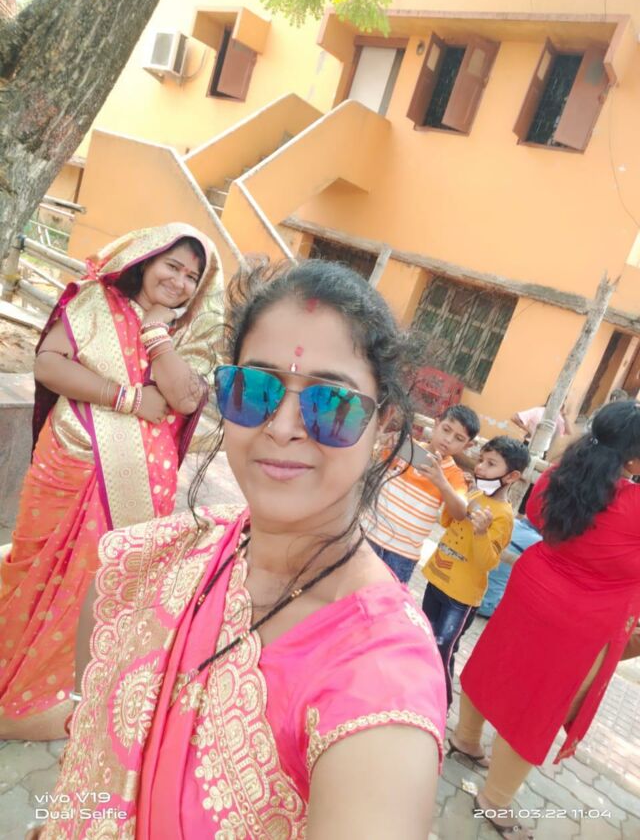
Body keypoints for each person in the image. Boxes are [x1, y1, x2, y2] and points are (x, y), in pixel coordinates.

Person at [35, 259, 447, 839]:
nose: (281, 427)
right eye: (255, 391)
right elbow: (88, 740)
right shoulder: (157, 557)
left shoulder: (379, 681)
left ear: (383, 429)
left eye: (331, 404)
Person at [0, 223, 221, 742]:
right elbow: (48, 364)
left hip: (138, 483)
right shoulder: (96, 301)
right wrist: (127, 398)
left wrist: (157, 333)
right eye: (172, 266)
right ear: (146, 259)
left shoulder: (191, 333)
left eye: (192, 276)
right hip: (70, 462)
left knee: (94, 585)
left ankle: (48, 692)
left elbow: (185, 398)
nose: (180, 281)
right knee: (34, 564)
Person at [450, 401, 640, 839]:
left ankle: (465, 739)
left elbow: (535, 515)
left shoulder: (560, 475)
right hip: (584, 619)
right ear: (632, 459)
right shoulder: (634, 506)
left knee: (495, 663)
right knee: (540, 705)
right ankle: (493, 800)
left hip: (532, 587)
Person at [422, 437, 529, 711]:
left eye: (491, 464)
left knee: (443, 649)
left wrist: (481, 533)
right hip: (438, 580)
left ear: (512, 476)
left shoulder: (503, 516)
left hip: (461, 598)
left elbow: (488, 563)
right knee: (423, 637)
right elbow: (447, 521)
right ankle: (419, 694)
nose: (480, 467)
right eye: (481, 460)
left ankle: (441, 704)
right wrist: (460, 497)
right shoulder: (475, 495)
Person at [366, 405, 479, 583]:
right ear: (436, 424)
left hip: (403, 553)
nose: (448, 439)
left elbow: (460, 512)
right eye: (446, 429)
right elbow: (372, 460)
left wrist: (442, 483)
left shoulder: (454, 475)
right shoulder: (406, 446)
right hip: (368, 535)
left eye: (459, 438)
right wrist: (383, 441)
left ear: (467, 445)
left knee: (386, 599)